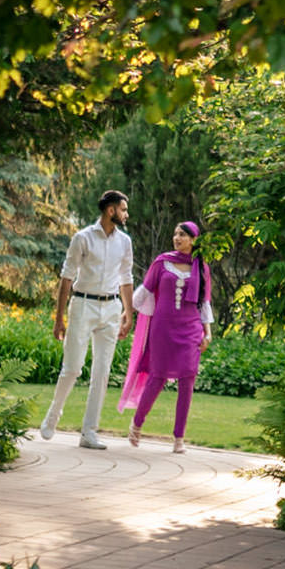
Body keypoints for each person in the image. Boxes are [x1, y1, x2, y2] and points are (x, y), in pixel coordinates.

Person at [40, 190, 134, 448]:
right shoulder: (82, 238)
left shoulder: (125, 242)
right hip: (82, 305)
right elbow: (66, 279)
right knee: (72, 369)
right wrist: (59, 319)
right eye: (123, 210)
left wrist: (129, 314)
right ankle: (53, 414)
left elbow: (127, 278)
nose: (126, 214)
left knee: (102, 373)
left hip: (111, 309)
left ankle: (89, 432)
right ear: (111, 210)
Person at [119, 220, 214, 453]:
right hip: (162, 329)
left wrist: (208, 333)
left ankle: (179, 438)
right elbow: (144, 293)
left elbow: (205, 303)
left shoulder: (201, 267)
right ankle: (137, 424)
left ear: (193, 240)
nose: (177, 238)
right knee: (157, 377)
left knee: (187, 381)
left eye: (182, 235)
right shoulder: (162, 263)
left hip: (191, 329)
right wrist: (126, 313)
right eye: (175, 234)